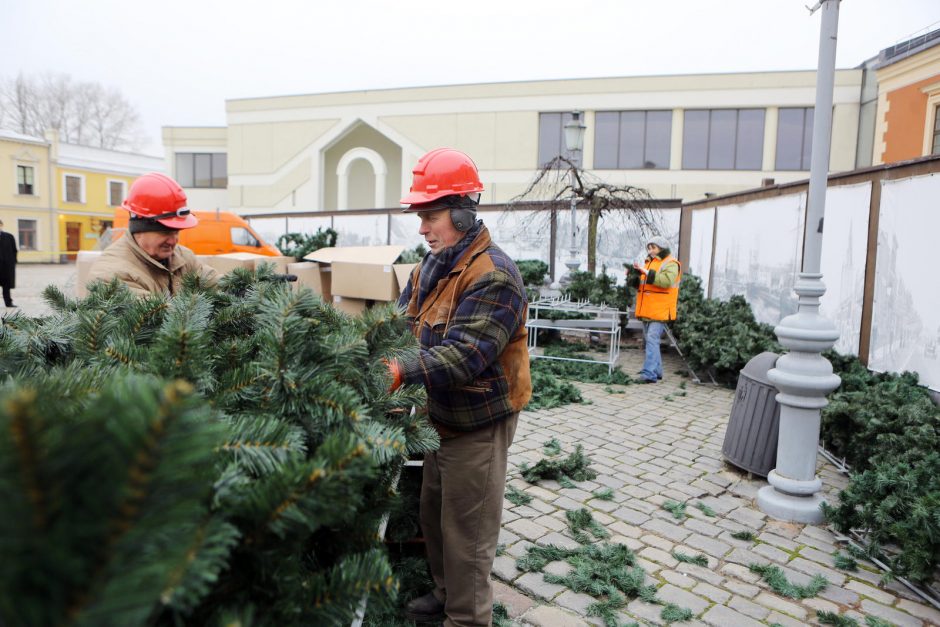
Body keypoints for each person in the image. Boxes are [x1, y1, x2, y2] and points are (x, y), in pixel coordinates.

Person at [385, 148, 532, 627]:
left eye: (431, 216)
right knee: (434, 515)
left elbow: (464, 356)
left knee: (468, 533)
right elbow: (401, 323)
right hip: (437, 415)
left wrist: (399, 372)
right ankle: (446, 595)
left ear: (465, 214)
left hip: (477, 422)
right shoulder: (430, 266)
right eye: (421, 217)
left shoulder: (494, 276)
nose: (423, 228)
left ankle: (467, 618)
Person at [89, 172, 217, 296]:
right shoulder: (112, 275)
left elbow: (216, 283)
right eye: (165, 232)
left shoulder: (183, 257)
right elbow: (159, 316)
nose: (173, 241)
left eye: (176, 232)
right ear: (140, 229)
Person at [632, 235, 682, 383]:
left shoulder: (672, 263)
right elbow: (644, 285)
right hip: (649, 308)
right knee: (651, 340)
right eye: (649, 247)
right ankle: (657, 371)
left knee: (652, 339)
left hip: (660, 309)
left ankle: (649, 374)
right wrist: (634, 276)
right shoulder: (649, 263)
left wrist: (646, 272)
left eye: (653, 247)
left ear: (662, 248)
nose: (651, 250)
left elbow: (666, 281)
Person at [0, 220, 17, 308]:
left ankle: (8, 303)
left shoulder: (9, 237)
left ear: (1, 225)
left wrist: (13, 263)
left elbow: (14, 251)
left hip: (6, 267)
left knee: (6, 286)